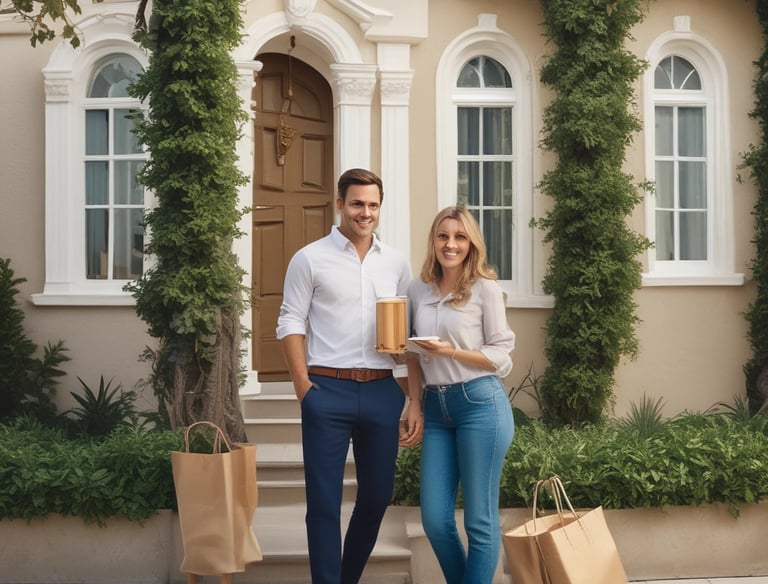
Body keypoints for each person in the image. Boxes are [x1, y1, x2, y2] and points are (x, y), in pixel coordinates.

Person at [276, 168, 423, 584]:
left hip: (381, 391)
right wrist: (304, 388)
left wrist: (412, 398)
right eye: (357, 203)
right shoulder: (309, 258)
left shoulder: (395, 263)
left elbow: (404, 334)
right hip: (327, 389)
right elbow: (289, 321)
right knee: (323, 502)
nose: (365, 212)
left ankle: (345, 578)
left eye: (373, 205)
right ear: (339, 204)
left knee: (376, 497)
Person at [406, 206, 516, 584]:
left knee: (479, 522)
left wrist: (450, 351)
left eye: (459, 237)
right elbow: (412, 351)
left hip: (480, 404)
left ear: (471, 244)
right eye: (443, 236)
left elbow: (502, 355)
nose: (450, 244)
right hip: (435, 408)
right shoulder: (417, 289)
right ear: (433, 240)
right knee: (435, 520)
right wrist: (415, 403)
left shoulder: (485, 288)